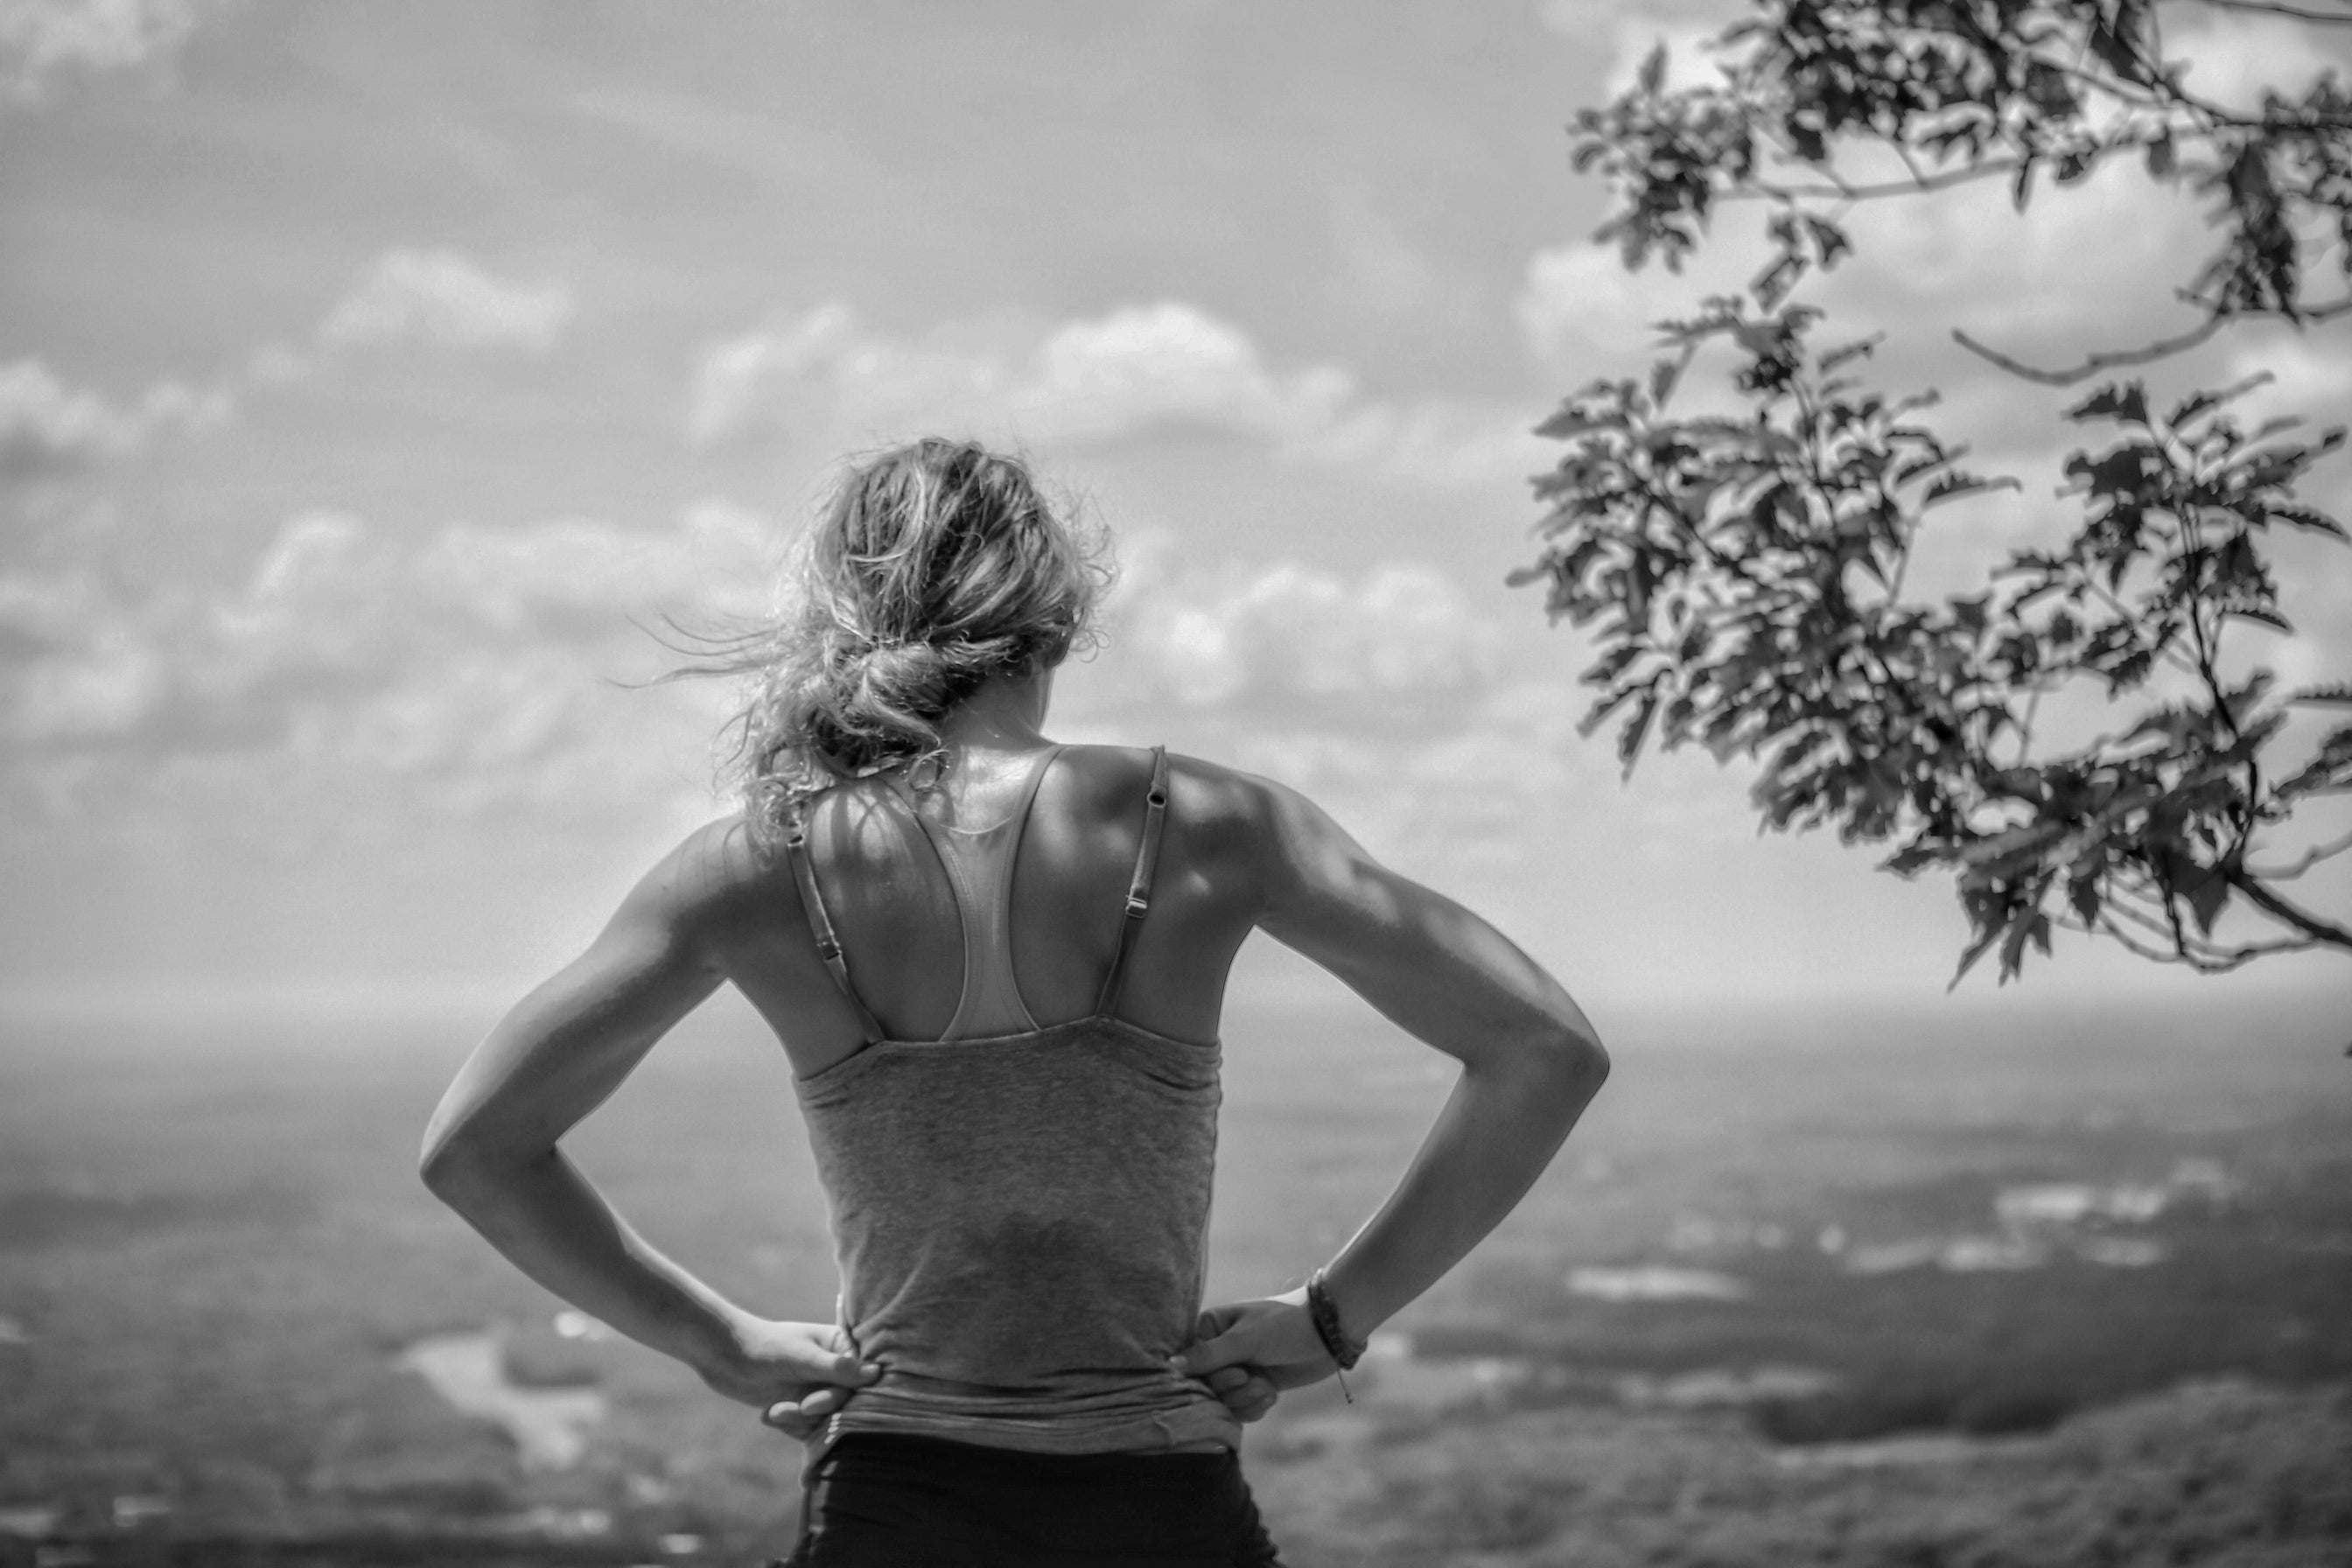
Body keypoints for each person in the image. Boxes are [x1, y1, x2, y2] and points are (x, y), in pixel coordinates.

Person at [419, 438, 1609, 1567]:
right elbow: (1543, 1050)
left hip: (893, 1504)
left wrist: (717, 1342)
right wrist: (1333, 1318)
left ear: (848, 616)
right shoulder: (1207, 826)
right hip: (1160, 1505)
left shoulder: (757, 866)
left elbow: (476, 1149)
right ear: (1056, 616)